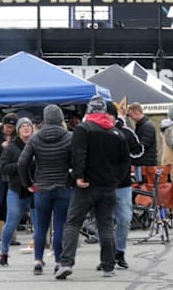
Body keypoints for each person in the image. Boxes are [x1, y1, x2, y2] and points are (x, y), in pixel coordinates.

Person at [55, 95, 129, 280]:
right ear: (104, 112)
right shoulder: (117, 133)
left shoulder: (83, 129)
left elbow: (79, 153)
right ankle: (108, 266)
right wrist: (115, 180)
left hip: (86, 185)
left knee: (73, 223)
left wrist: (78, 176)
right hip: (108, 187)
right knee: (106, 225)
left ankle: (66, 263)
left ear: (89, 111)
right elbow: (125, 162)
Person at [18, 105, 73, 275]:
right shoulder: (70, 137)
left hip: (41, 188)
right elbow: (77, 160)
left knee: (41, 227)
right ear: (61, 118)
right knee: (60, 226)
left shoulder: (35, 138)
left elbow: (22, 162)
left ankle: (38, 261)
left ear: (45, 119)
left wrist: (28, 183)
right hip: (63, 187)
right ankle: (58, 261)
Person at [105, 101, 142, 270]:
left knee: (125, 219)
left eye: (109, 115)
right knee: (105, 220)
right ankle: (107, 254)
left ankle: (120, 251)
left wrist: (127, 159)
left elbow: (139, 149)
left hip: (123, 183)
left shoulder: (126, 132)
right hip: (103, 183)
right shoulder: (96, 131)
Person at [0, 117, 34, 267]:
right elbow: (3, 168)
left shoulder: (36, 144)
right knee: (11, 223)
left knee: (39, 225)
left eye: (28, 126)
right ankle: (4, 252)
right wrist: (21, 165)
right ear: (18, 130)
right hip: (16, 190)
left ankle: (38, 258)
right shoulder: (11, 148)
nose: (26, 128)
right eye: (23, 126)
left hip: (34, 189)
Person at [0, 113, 18, 244]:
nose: (9, 129)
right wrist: (0, 147)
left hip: (13, 176)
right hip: (0, 176)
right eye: (7, 126)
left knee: (12, 206)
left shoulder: (17, 138)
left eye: (12, 127)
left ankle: (11, 235)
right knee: (0, 203)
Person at [127, 102, 157, 183]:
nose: (131, 118)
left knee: (144, 187)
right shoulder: (143, 125)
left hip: (145, 164)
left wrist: (132, 159)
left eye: (131, 115)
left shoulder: (146, 126)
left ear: (136, 112)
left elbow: (143, 147)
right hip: (143, 163)